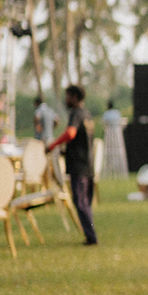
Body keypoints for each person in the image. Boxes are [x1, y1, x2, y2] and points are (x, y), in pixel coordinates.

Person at [48, 84, 98, 245]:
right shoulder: (87, 114)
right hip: (88, 164)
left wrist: (53, 145)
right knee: (85, 203)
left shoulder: (75, 113)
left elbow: (71, 133)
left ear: (75, 97)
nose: (66, 99)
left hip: (79, 166)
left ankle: (91, 237)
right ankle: (90, 235)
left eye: (68, 96)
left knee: (81, 202)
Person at [101, 98, 128, 178]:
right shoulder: (117, 113)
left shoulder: (106, 114)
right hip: (117, 134)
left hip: (110, 135)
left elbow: (104, 124)